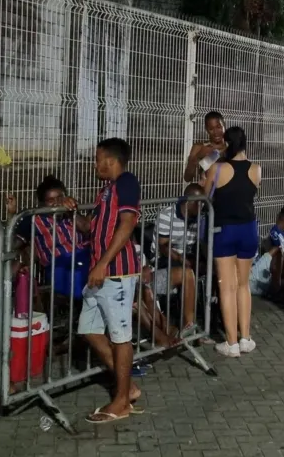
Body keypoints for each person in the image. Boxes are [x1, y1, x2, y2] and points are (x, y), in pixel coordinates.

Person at [81, 137, 143, 424]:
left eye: (97, 158)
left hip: (115, 272)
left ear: (109, 159)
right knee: (89, 330)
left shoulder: (126, 182)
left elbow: (128, 223)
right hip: (100, 272)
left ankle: (121, 401)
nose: (95, 164)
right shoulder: (104, 191)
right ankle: (126, 386)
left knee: (121, 337)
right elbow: (92, 229)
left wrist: (104, 263)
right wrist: (68, 211)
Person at [203, 126, 261, 357]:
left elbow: (205, 196)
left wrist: (214, 157)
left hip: (224, 229)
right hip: (248, 229)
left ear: (226, 143)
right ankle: (246, 337)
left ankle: (231, 342)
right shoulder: (256, 169)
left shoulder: (217, 168)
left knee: (226, 287)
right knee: (243, 285)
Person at [152, 183, 206, 337]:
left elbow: (197, 245)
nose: (201, 208)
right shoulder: (166, 215)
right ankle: (189, 325)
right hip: (165, 258)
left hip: (186, 256)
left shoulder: (197, 218)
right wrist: (180, 258)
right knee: (187, 272)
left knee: (211, 270)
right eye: (199, 204)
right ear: (189, 203)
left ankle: (209, 323)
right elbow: (163, 247)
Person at [183, 110, 227, 183]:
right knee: (193, 191)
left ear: (224, 125)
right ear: (206, 129)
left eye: (219, 127)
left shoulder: (232, 146)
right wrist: (196, 157)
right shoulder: (199, 147)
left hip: (228, 189)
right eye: (211, 129)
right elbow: (187, 178)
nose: (216, 132)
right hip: (208, 189)